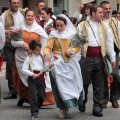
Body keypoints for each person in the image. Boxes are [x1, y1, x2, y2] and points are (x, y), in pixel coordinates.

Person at [78, 5, 116, 117]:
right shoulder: (82, 25)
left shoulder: (105, 26)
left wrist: (112, 58)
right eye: (100, 12)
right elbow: (77, 42)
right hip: (86, 58)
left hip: (100, 58)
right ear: (93, 14)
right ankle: (82, 101)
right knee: (84, 82)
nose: (102, 14)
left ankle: (97, 108)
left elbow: (109, 43)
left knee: (99, 85)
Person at [44, 14, 83, 119]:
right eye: (57, 26)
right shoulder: (53, 34)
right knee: (60, 85)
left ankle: (69, 105)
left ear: (66, 24)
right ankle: (62, 108)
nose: (59, 28)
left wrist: (71, 51)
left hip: (70, 62)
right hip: (57, 63)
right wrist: (46, 53)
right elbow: (48, 46)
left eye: (61, 25)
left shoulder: (72, 34)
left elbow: (77, 46)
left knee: (71, 84)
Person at [11, 10, 48, 106]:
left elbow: (44, 43)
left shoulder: (38, 28)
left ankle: (36, 99)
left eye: (32, 16)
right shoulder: (19, 29)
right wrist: (21, 43)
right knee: (23, 79)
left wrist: (43, 54)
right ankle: (23, 97)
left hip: (35, 57)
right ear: (25, 16)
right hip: (22, 56)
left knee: (35, 77)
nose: (30, 17)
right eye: (28, 15)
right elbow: (13, 42)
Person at [0, 0, 25, 99]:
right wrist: (8, 31)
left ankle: (22, 89)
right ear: (10, 3)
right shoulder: (4, 15)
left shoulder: (23, 13)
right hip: (9, 43)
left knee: (22, 66)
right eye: (14, 3)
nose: (16, 4)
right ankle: (12, 90)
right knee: (10, 66)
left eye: (17, 2)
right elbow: (1, 29)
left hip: (20, 43)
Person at [100, 1, 120, 108]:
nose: (108, 10)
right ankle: (104, 99)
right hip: (102, 52)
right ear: (101, 10)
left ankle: (114, 98)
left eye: (109, 8)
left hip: (115, 51)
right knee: (103, 75)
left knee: (115, 74)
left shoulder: (115, 21)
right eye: (106, 9)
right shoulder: (99, 22)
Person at [22, 40, 46, 120]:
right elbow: (24, 69)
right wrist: (32, 74)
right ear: (32, 50)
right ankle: (34, 113)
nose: (39, 51)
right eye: (37, 50)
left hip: (41, 78)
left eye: (40, 50)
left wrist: (49, 67)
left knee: (42, 96)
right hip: (32, 79)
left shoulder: (42, 57)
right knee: (33, 96)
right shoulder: (29, 58)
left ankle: (37, 107)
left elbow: (46, 69)